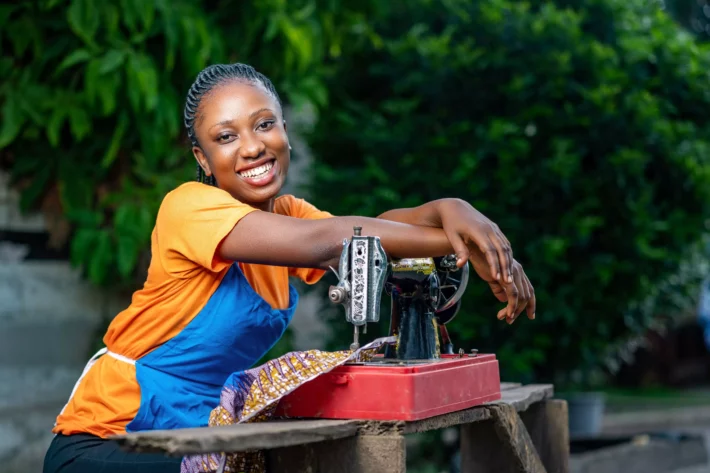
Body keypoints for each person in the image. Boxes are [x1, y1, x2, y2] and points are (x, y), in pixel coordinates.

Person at [43, 63, 536, 473]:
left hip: (197, 440)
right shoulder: (187, 207)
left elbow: (370, 229)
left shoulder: (287, 215)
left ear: (284, 130)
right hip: (109, 440)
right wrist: (464, 243)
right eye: (226, 136)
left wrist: (454, 209)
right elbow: (329, 241)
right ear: (203, 157)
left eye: (264, 124)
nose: (253, 146)